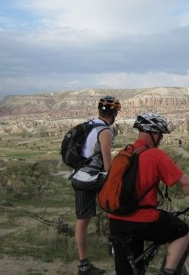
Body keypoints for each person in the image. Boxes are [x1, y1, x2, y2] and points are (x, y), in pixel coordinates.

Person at [108, 112, 189, 275]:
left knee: (132, 269)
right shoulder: (156, 156)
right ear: (154, 134)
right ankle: (168, 271)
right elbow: (184, 183)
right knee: (182, 230)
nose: (161, 139)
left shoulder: (123, 154)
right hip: (141, 219)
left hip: (115, 219)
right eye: (161, 135)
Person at [72, 96, 121, 275]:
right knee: (116, 205)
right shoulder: (105, 131)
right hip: (93, 178)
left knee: (82, 221)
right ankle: (116, 247)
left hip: (79, 177)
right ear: (114, 113)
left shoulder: (90, 125)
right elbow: (108, 166)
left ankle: (83, 264)